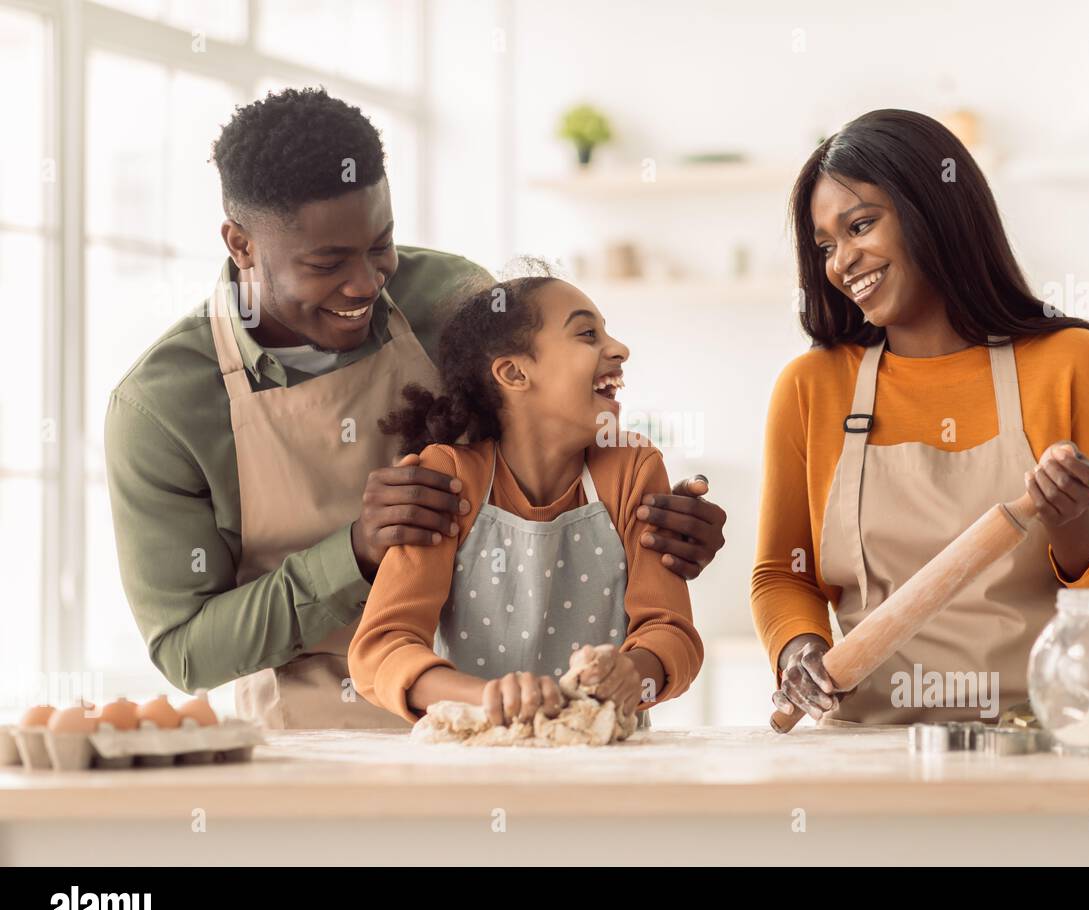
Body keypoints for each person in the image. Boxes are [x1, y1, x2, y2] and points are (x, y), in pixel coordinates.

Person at [105, 88, 726, 729]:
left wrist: (656, 526)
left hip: (513, 730)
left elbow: (563, 429)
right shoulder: (163, 407)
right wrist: (354, 553)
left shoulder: (451, 298)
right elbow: (185, 651)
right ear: (241, 245)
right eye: (327, 263)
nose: (366, 283)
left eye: (381, 244)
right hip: (319, 742)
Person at [756, 109, 1089, 726]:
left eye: (861, 225)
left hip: (1042, 741)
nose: (842, 263)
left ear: (933, 211)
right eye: (827, 246)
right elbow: (785, 572)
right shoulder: (812, 387)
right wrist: (798, 648)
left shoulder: (1073, 362)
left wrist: (1078, 521)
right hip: (865, 749)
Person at [349, 271, 703, 726]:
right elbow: (381, 650)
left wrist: (630, 673)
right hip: (474, 761)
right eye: (587, 334)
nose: (619, 349)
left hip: (604, 762)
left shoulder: (632, 467)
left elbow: (672, 631)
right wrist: (490, 699)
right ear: (515, 372)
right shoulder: (451, 475)